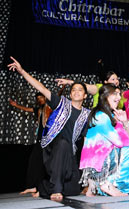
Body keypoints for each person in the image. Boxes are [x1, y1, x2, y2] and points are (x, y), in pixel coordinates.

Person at [8, 57, 90, 202]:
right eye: (74, 89)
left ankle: (44, 187)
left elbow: (86, 139)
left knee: (74, 190)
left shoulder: (86, 114)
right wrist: (21, 71)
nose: (76, 91)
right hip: (53, 148)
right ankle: (56, 189)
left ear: (84, 95)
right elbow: (41, 88)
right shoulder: (61, 102)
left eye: (80, 90)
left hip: (69, 153)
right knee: (63, 143)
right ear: (70, 94)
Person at [79, 84, 129, 196]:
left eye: (119, 94)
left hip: (109, 160)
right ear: (105, 96)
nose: (119, 97)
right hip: (100, 163)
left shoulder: (112, 115)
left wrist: (125, 122)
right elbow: (120, 143)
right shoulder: (100, 115)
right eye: (115, 94)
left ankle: (99, 187)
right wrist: (119, 125)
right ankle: (108, 183)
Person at [9, 93, 52, 196]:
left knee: (48, 164)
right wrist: (16, 105)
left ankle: (48, 187)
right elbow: (27, 109)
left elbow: (57, 95)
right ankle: (33, 186)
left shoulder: (50, 107)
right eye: (38, 99)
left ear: (45, 97)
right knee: (34, 162)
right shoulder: (39, 109)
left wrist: (63, 87)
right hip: (40, 141)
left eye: (41, 97)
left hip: (49, 140)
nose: (40, 100)